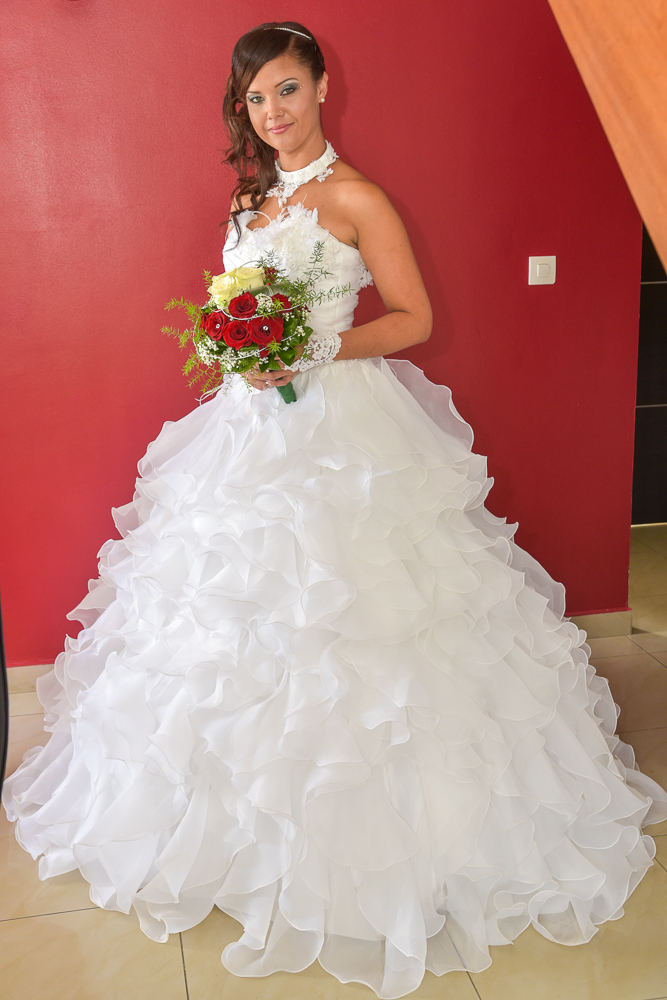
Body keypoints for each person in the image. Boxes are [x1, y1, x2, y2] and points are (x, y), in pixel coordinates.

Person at [4, 21, 667, 1000]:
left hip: (345, 429)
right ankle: (228, 830)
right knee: (229, 613)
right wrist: (238, 347)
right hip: (246, 430)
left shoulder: (358, 198)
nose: (271, 112)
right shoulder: (252, 201)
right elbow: (236, 301)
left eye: (285, 89)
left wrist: (311, 351)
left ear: (320, 86)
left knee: (357, 619)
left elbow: (414, 318)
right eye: (254, 99)